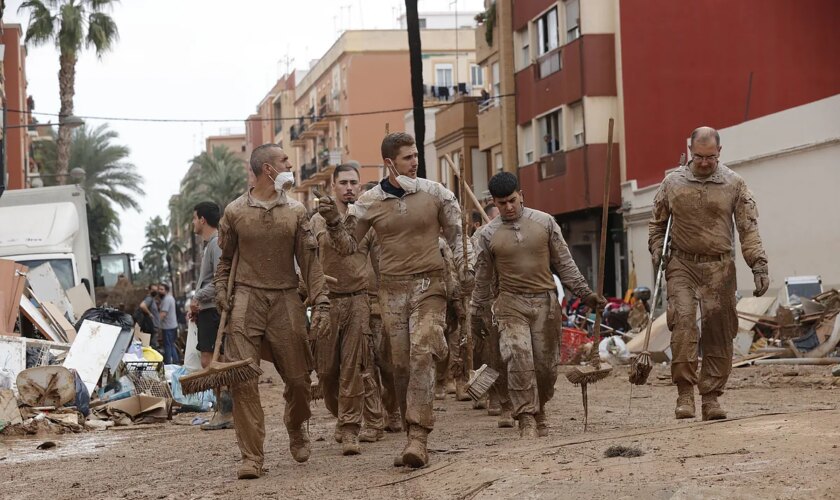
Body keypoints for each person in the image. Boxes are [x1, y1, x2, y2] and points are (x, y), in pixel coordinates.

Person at [318, 132, 473, 468]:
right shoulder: (369, 202)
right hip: (391, 291)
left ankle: (418, 436)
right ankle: (408, 429)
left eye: (415, 155)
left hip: (430, 285)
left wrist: (466, 268)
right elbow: (347, 247)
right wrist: (333, 221)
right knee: (399, 364)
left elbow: (458, 235)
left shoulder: (436, 193)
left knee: (422, 352)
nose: (414, 161)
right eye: (407, 157)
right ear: (390, 163)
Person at [215, 143, 330, 479]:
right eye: (284, 160)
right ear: (268, 169)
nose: (289, 164)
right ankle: (252, 456)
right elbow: (225, 261)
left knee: (297, 380)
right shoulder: (235, 212)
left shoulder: (296, 212)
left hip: (285, 298)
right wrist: (222, 290)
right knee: (244, 380)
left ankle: (296, 425)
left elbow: (311, 263)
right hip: (246, 300)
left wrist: (321, 301)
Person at [471, 172, 604, 439]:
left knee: (544, 366)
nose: (508, 207)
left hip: (545, 302)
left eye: (512, 200)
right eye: (501, 203)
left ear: (522, 195)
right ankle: (526, 418)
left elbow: (565, 264)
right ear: (493, 202)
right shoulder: (487, 235)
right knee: (519, 358)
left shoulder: (545, 223)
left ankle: (540, 407)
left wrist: (585, 294)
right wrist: (477, 311)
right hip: (509, 303)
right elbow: (483, 278)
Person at [649, 126, 768, 421]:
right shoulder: (672, 184)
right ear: (690, 152)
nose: (704, 162)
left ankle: (712, 397)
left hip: (720, 267)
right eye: (699, 156)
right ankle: (685, 394)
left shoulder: (735, 184)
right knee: (685, 325)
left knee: (719, 330)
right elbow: (657, 224)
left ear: (720, 153)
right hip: (682, 265)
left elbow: (748, 229)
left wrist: (758, 264)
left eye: (710, 157)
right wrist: (656, 250)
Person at [310, 163, 384, 454]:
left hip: (358, 299)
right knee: (326, 371)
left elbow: (374, 260)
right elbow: (308, 260)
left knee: (354, 367)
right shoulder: (315, 221)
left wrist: (382, 298)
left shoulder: (366, 220)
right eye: (343, 182)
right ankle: (343, 416)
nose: (349, 187)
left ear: (361, 187)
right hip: (327, 301)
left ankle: (352, 427)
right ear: (333, 186)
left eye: (354, 182)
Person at [359, 180, 402, 433]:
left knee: (388, 364)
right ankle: (373, 418)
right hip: (361, 303)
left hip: (388, 303)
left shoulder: (392, 229)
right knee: (365, 365)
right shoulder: (358, 230)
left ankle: (393, 408)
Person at [189, 200, 233, 431]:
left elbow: (220, 281)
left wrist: (197, 299)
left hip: (213, 310)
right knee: (213, 359)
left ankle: (226, 409)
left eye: (195, 218)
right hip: (208, 310)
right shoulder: (212, 244)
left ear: (203, 220)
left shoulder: (216, 244)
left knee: (212, 361)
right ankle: (224, 408)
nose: (193, 223)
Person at [158, 283, 179, 364]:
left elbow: (163, 314)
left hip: (168, 327)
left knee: (168, 346)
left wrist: (156, 324)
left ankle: (168, 364)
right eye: (159, 289)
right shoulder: (170, 298)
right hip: (173, 325)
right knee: (171, 345)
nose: (160, 291)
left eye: (162, 289)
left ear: (166, 290)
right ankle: (176, 362)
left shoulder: (166, 299)